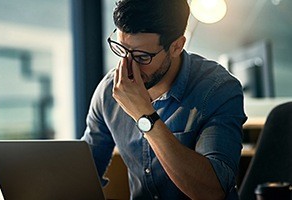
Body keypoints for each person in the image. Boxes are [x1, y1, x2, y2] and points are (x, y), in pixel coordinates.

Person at [82, 0, 247, 199]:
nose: (127, 67)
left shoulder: (217, 89)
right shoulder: (109, 91)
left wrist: (145, 116)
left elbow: (212, 191)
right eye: (121, 50)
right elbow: (84, 173)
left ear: (177, 46)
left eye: (142, 57)